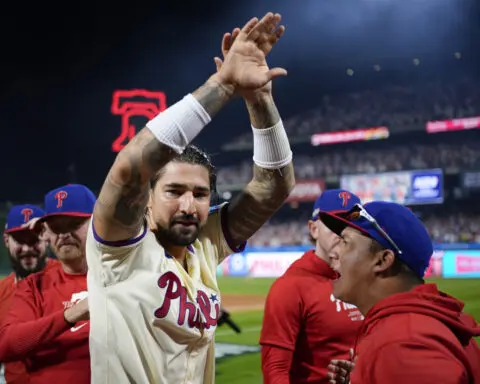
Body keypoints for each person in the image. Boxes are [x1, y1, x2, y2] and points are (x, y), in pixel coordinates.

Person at [86, 11, 295, 384]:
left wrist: (259, 99)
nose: (188, 205)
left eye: (200, 194)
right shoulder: (118, 247)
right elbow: (128, 169)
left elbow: (274, 186)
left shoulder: (206, 243)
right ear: (147, 198)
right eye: (174, 191)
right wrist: (223, 84)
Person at [319, 201, 480, 383]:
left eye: (345, 242)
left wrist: (392, 363)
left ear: (382, 260)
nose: (332, 253)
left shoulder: (404, 345)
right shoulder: (410, 335)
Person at [260, 189, 364, 384]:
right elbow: (276, 369)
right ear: (313, 229)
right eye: (335, 224)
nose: (343, 232)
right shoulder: (290, 287)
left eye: (352, 225)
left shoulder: (365, 279)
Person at [0, 184, 95, 384]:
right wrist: (72, 314)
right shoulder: (34, 285)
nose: (64, 234)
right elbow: (7, 344)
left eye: (73, 224)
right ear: (47, 233)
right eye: (56, 227)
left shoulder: (118, 275)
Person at [0, 204, 52, 384]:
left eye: (33, 240)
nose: (27, 248)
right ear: (6, 240)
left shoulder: (69, 278)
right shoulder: (1, 293)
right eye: (20, 241)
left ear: (46, 238)